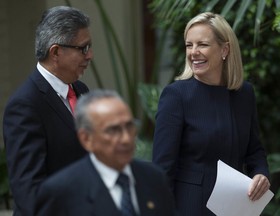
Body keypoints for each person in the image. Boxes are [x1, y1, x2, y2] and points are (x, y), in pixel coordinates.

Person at [152, 12, 271, 216]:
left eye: (202, 45)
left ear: (224, 49)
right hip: (188, 208)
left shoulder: (244, 94)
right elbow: (162, 169)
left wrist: (260, 173)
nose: (193, 52)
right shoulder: (176, 96)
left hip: (236, 208)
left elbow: (254, 150)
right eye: (189, 45)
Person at [3, 6, 92, 216]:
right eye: (83, 48)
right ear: (56, 52)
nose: (90, 56)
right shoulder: (25, 106)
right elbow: (29, 193)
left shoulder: (81, 90)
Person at [34, 89, 176, 216]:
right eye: (113, 130)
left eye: (129, 126)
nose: (126, 139)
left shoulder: (154, 177)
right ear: (86, 139)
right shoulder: (61, 192)